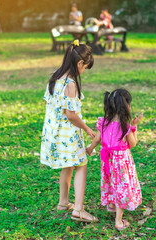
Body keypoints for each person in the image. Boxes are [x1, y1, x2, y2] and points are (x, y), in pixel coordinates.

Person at [40, 40, 98, 223]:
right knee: (81, 164)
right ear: (80, 63)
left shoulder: (55, 77)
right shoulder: (70, 84)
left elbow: (50, 103)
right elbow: (71, 115)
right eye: (85, 67)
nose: (83, 72)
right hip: (67, 134)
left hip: (54, 132)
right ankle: (79, 210)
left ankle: (63, 203)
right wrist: (88, 130)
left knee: (69, 165)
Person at [86, 89, 143, 230]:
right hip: (121, 162)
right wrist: (134, 127)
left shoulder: (104, 122)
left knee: (110, 181)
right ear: (126, 106)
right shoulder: (126, 127)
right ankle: (118, 221)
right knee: (121, 187)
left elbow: (97, 139)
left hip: (108, 161)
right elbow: (133, 144)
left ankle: (111, 205)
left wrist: (90, 148)